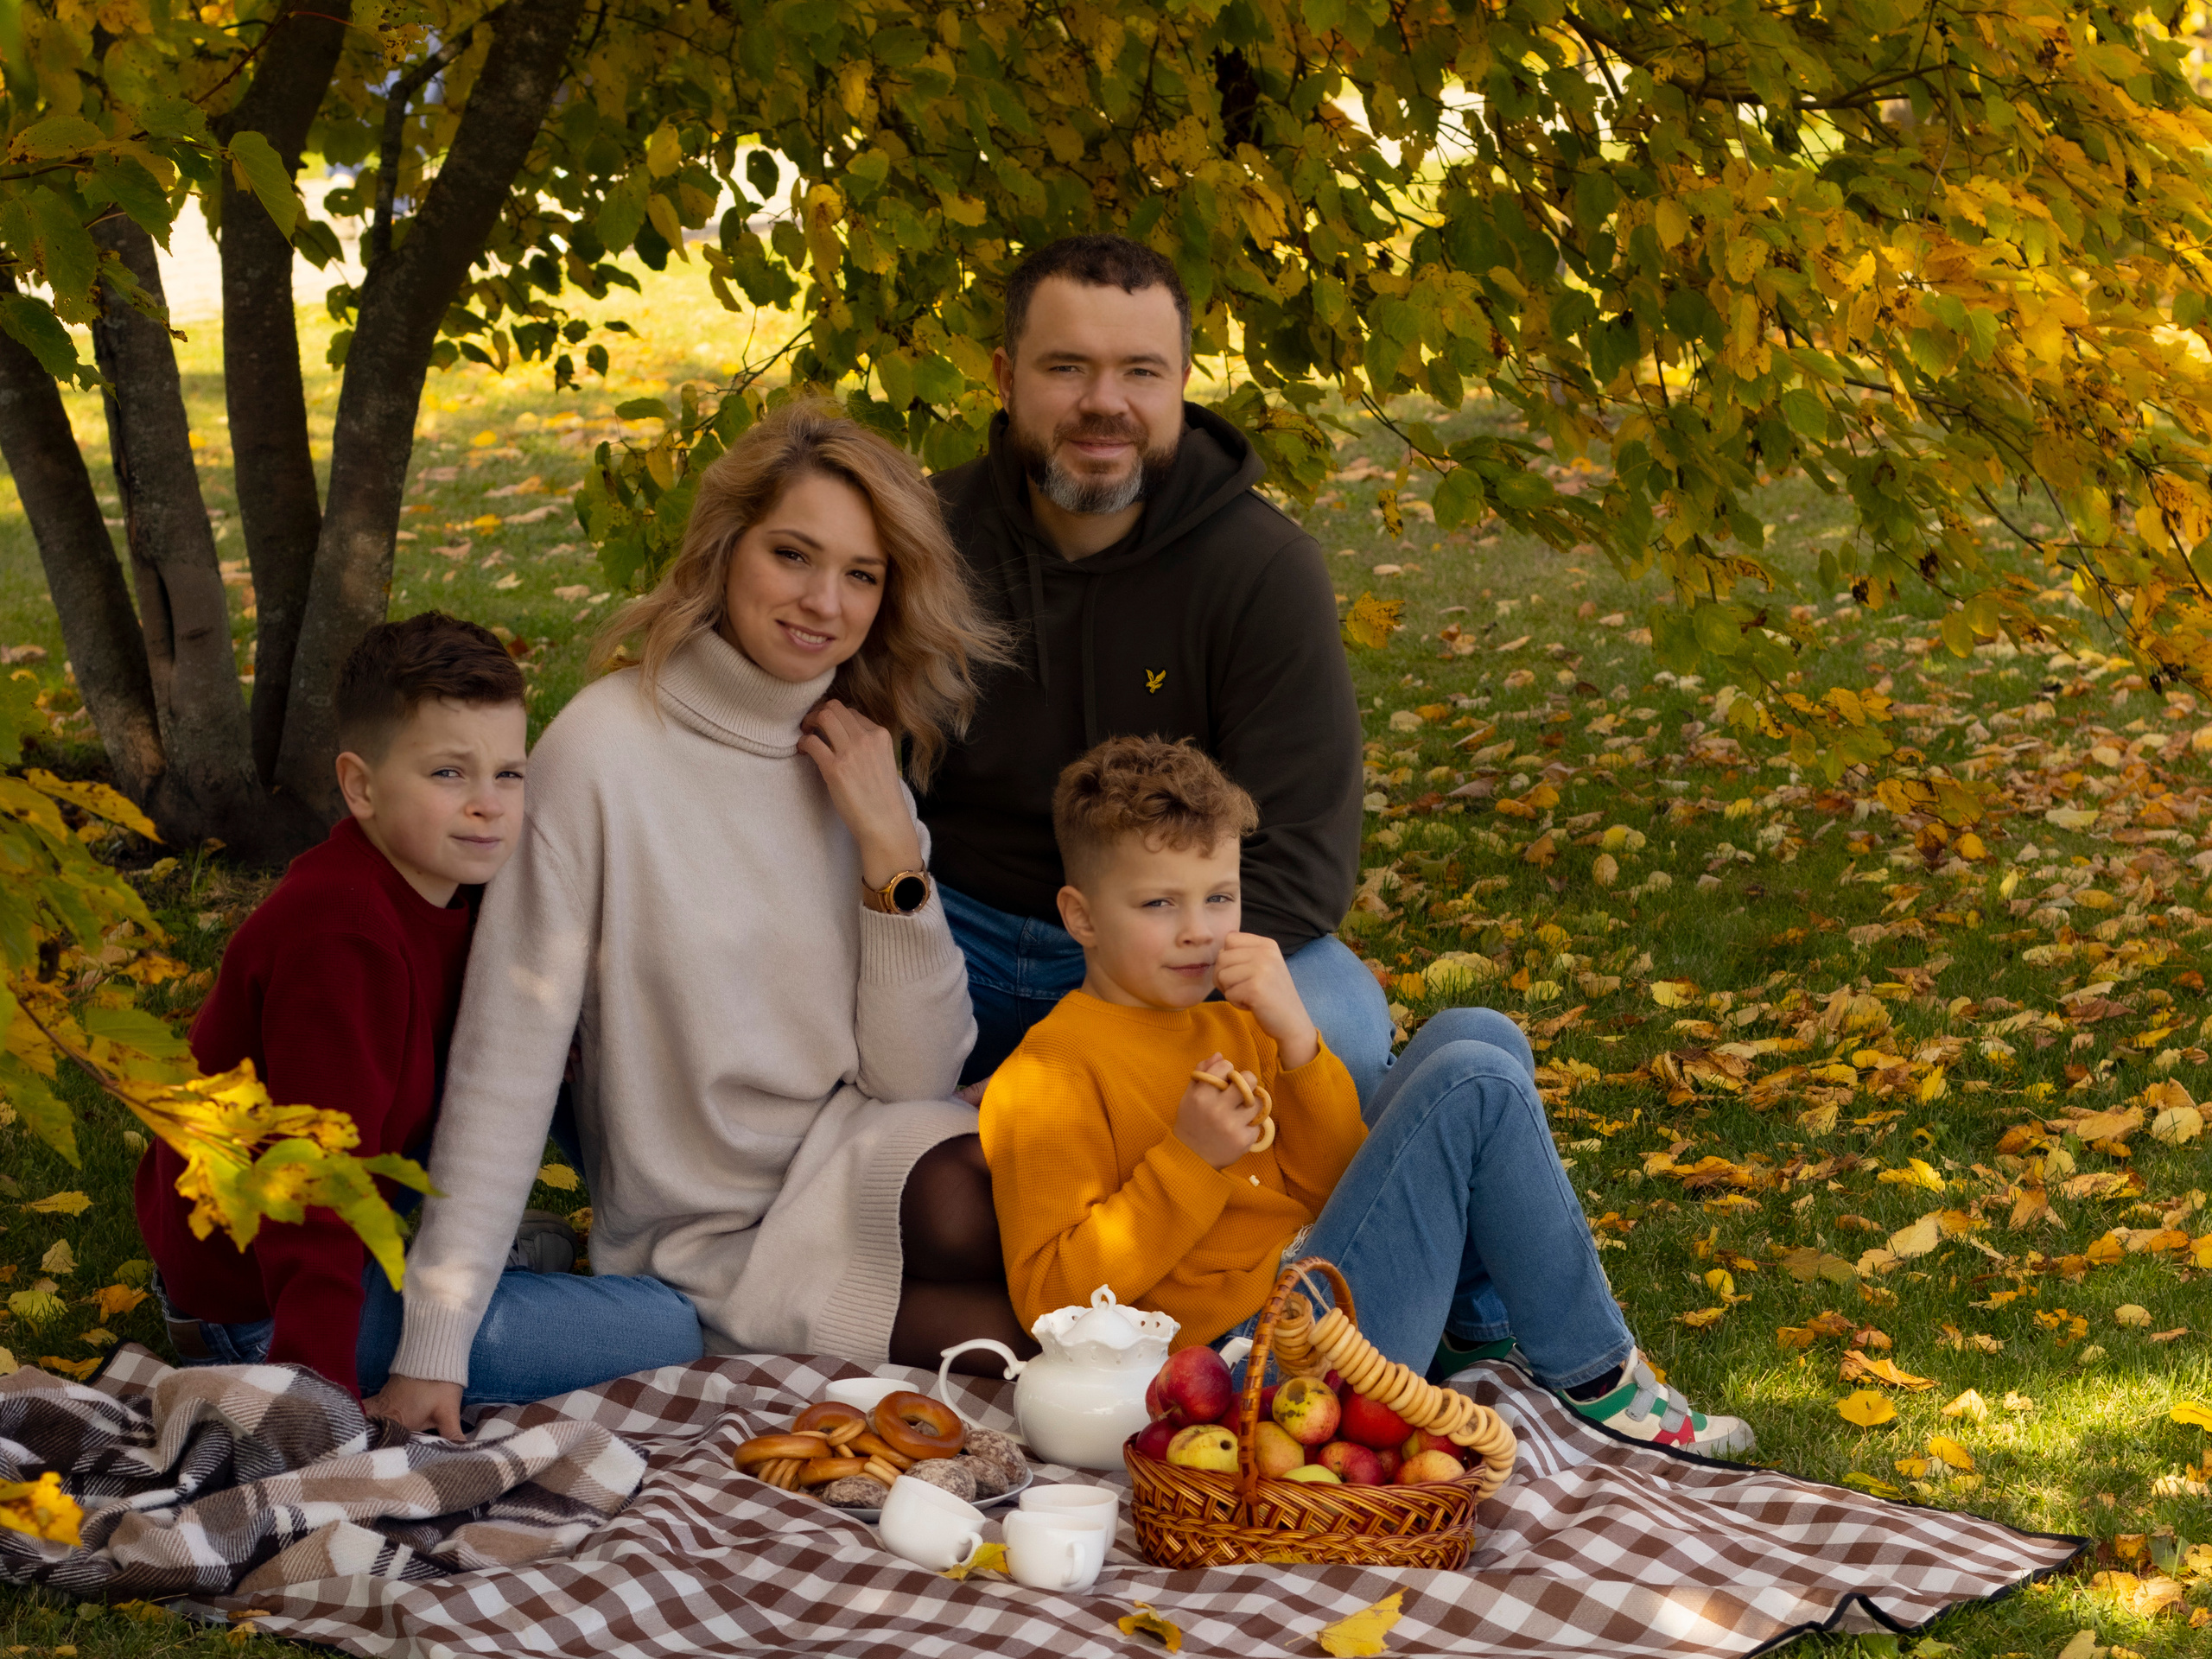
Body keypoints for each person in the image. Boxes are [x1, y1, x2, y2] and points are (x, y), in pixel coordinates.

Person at [370, 404, 1025, 1440]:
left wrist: (889, 851)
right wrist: (436, 1344)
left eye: (862, 574)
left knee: (1024, 1223)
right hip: (711, 1238)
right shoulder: (604, 750)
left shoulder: (857, 751)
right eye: (793, 555)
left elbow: (910, 1076)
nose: (823, 602)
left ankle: (1263, 1354)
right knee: (1030, 1310)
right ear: (726, 551)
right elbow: (511, 1046)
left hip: (859, 1157)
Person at [979, 735, 1755, 1453]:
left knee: (1476, 1033)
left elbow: (1337, 1182)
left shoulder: (1228, 1021)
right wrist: (1187, 1160)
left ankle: (1470, 1329)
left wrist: (1296, 1044)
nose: (1198, 931)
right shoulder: (1049, 1074)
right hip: (1250, 1371)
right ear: (1080, 915)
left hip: (1323, 1293)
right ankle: (1595, 1375)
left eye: (1219, 898)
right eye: (1159, 904)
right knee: (1473, 1085)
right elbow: (1050, 1302)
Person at [137, 613, 696, 1402]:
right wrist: (313, 1398)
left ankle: (491, 1264)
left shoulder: (455, 894)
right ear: (360, 786)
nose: (488, 805)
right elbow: (312, 1191)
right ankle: (422, 1319)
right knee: (671, 1329)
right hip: (263, 1315)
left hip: (338, 1258)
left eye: (509, 773)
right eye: (447, 774)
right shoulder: (343, 937)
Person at [924, 234, 1394, 1104]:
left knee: (1344, 1031)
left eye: (1140, 372)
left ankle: (1267, 1225)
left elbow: (1300, 861)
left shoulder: (1262, 568)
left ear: (1181, 383)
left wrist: (1116, 1028)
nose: (1104, 404)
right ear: (1003, 375)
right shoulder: (922, 539)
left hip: (1179, 946)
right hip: (954, 936)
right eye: (1066, 368)